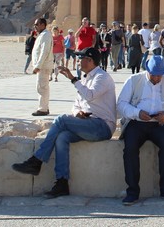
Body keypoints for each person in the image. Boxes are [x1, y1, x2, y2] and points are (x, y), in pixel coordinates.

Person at [12, 47, 117, 198]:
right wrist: (77, 113)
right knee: (62, 137)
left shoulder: (102, 77)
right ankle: (62, 182)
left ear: (90, 60)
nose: (79, 61)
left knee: (61, 120)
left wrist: (73, 79)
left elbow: (90, 95)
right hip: (87, 123)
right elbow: (77, 104)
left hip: (102, 126)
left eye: (81, 58)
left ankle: (37, 160)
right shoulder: (85, 79)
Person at [117, 55, 164, 204]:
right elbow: (121, 104)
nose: (156, 78)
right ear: (147, 70)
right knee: (130, 148)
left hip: (159, 123)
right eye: (153, 75)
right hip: (137, 122)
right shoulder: (134, 80)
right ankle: (132, 191)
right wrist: (137, 113)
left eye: (159, 75)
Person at [30, 18, 53, 116]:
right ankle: (44, 107)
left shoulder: (46, 35)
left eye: (37, 24)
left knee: (42, 87)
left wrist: (38, 65)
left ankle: (43, 109)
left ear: (43, 25)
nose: (35, 26)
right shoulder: (42, 35)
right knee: (41, 86)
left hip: (43, 66)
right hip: (42, 66)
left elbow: (44, 51)